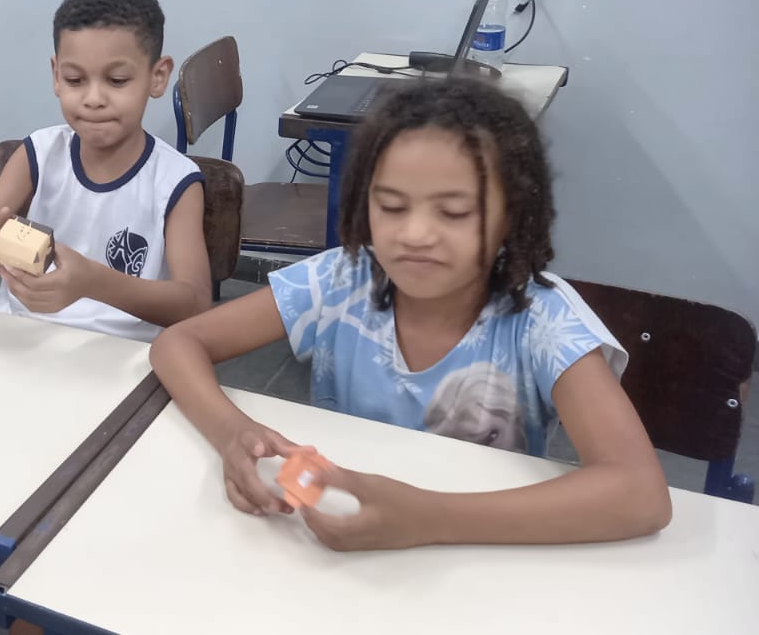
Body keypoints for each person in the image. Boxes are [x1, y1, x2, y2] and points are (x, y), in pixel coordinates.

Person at [150, 76, 672, 550]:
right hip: (349, 549)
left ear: (512, 215)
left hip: (484, 550)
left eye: (454, 212)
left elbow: (640, 494)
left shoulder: (542, 319)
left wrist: (430, 518)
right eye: (392, 206)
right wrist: (231, 431)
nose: (415, 234)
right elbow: (178, 343)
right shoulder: (342, 278)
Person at [0, 0, 210, 341]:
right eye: (75, 79)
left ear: (157, 77)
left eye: (117, 80)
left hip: (120, 353)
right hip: (21, 339)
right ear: (56, 76)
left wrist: (93, 282)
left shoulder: (175, 181)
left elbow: (195, 303)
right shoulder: (39, 154)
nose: (93, 99)